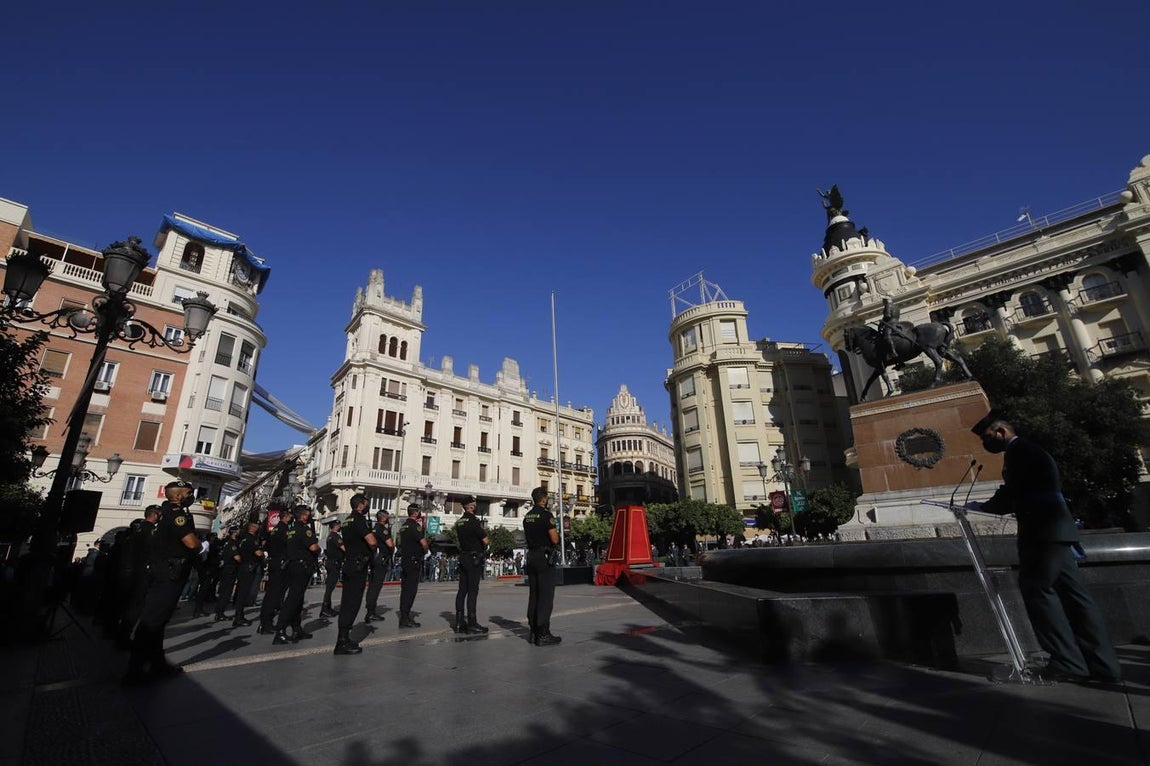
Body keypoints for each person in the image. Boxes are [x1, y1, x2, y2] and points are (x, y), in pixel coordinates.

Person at [969, 412, 1122, 683]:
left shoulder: (1020, 452)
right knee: (1076, 598)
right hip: (1057, 532)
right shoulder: (1028, 451)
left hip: (1042, 533)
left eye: (987, 437)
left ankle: (1067, 662)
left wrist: (982, 506)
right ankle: (1104, 665)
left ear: (1001, 431)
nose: (986, 443)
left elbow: (1013, 493)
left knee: (1039, 592)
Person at [124, 480, 200, 684]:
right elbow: (190, 542)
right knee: (152, 621)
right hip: (169, 573)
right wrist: (200, 545)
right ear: (177, 495)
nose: (192, 494)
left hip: (162, 571)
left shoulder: (163, 514)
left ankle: (157, 663)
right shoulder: (177, 514)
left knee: (158, 620)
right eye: (188, 492)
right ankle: (135, 670)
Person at [334, 493, 377, 655]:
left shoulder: (346, 521)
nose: (367, 507)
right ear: (360, 505)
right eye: (366, 504)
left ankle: (343, 637)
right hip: (358, 565)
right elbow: (371, 541)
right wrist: (372, 549)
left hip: (350, 563)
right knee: (352, 602)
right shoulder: (359, 520)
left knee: (347, 601)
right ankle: (342, 641)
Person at [114, 505, 160, 648]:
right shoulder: (151, 530)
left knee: (125, 604)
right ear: (155, 515)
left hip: (126, 571)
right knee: (135, 607)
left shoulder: (135, 528)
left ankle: (117, 633)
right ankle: (124, 638)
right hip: (141, 573)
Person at [273, 505, 320, 644]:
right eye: (308, 514)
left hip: (292, 565)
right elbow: (313, 547)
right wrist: (319, 550)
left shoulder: (291, 530)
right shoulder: (304, 529)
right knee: (293, 599)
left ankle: (296, 627)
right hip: (301, 566)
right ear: (304, 516)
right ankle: (280, 630)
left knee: (298, 599)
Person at [523, 487, 561, 646]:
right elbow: (554, 539)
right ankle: (543, 633)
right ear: (544, 499)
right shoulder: (546, 516)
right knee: (545, 596)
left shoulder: (527, 516)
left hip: (531, 556)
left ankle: (533, 631)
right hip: (544, 558)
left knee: (534, 594)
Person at [453, 496, 489, 634]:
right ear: (472, 506)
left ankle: (458, 622)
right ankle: (472, 623)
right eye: (475, 503)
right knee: (473, 591)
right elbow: (485, 540)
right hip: (474, 558)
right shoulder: (474, 521)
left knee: (462, 590)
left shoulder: (460, 521)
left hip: (463, 557)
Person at [258, 506, 294, 634]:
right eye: (290, 515)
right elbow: (290, 545)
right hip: (280, 563)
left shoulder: (274, 530)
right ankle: (267, 623)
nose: (291, 517)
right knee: (275, 594)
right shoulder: (284, 529)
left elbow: (267, 546)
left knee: (271, 594)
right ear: (285, 516)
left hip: (274, 561)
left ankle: (264, 622)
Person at [397, 504, 429, 628]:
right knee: (411, 590)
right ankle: (405, 618)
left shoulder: (403, 526)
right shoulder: (415, 526)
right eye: (419, 511)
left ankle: (403, 615)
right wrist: (425, 551)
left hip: (405, 560)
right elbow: (424, 543)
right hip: (414, 561)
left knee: (405, 589)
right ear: (415, 513)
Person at [364, 510, 395, 623]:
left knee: (372, 586)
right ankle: (371, 612)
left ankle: (370, 610)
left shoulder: (372, 528)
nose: (387, 518)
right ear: (383, 518)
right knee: (376, 586)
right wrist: (392, 548)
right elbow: (390, 544)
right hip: (381, 559)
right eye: (386, 516)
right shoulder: (382, 529)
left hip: (374, 559)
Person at [231, 520, 263, 627]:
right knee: (243, 593)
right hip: (249, 567)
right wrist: (263, 553)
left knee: (241, 592)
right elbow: (258, 553)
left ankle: (239, 615)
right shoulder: (251, 539)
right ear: (252, 528)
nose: (258, 528)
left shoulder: (242, 539)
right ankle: (238, 617)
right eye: (256, 526)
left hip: (243, 566)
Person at [214, 527, 241, 622]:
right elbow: (237, 557)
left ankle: (219, 611)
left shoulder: (227, 542)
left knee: (224, 591)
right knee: (226, 592)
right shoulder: (231, 543)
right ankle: (220, 613)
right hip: (230, 570)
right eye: (237, 531)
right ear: (233, 533)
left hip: (226, 569)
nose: (239, 532)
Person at [321, 520, 344, 618]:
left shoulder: (330, 535)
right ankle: (325, 609)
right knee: (330, 587)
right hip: (334, 563)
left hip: (330, 562)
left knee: (329, 587)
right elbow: (344, 548)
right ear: (336, 526)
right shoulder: (335, 536)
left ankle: (328, 608)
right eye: (339, 525)